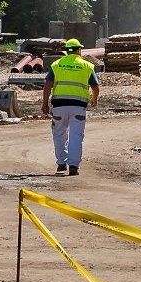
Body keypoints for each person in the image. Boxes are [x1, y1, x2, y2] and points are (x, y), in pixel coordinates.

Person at [47, 38, 98, 177]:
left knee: (59, 134)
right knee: (76, 136)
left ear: (67, 50)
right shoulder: (87, 66)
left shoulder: (56, 64)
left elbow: (48, 84)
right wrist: (95, 99)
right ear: (79, 50)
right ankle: (73, 166)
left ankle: (61, 163)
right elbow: (95, 86)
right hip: (78, 107)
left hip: (59, 105)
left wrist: (44, 103)